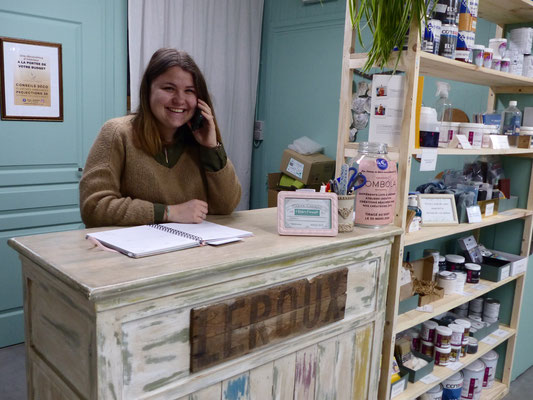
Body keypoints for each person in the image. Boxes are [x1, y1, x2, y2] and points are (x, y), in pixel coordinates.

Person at [79, 48, 241, 227]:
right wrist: (167, 212)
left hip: (191, 249)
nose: (180, 100)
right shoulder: (117, 133)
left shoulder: (200, 140)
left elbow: (226, 205)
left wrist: (212, 147)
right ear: (148, 90)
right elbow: (94, 208)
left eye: (189, 91)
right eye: (169, 88)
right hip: (132, 251)